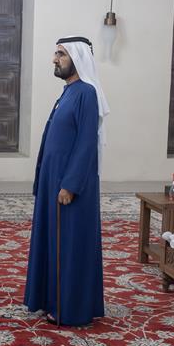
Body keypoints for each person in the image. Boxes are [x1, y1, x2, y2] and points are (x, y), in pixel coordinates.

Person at [24, 36, 110, 326]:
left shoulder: (86, 93)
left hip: (71, 185)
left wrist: (70, 184)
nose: (54, 59)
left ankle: (70, 309)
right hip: (54, 179)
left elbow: (86, 144)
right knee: (52, 241)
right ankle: (48, 298)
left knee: (69, 245)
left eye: (60, 54)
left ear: (77, 58)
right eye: (56, 53)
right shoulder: (68, 92)